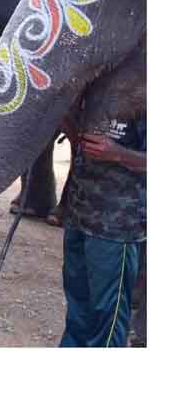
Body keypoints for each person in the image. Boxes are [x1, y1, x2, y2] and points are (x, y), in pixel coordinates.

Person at [59, 116, 146, 347]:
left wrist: (118, 153)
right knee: (77, 306)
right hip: (79, 214)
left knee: (108, 314)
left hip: (117, 227)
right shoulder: (91, 86)